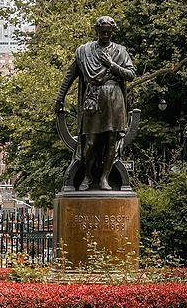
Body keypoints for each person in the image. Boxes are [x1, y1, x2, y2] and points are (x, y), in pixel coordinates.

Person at [55, 16, 135, 191]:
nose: (106, 34)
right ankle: (88, 175)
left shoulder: (120, 51)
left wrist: (112, 65)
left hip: (114, 99)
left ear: (112, 31)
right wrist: (59, 98)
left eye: (109, 31)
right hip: (93, 99)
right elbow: (70, 76)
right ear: (97, 31)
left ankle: (105, 178)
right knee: (90, 142)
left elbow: (130, 74)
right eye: (102, 31)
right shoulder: (84, 51)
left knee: (111, 140)